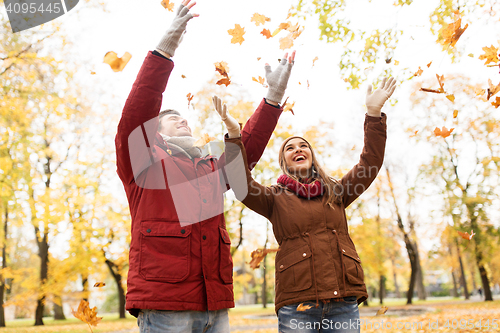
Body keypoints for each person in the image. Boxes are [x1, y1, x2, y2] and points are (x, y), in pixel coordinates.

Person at [114, 1, 295, 332]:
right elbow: (137, 111)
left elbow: (245, 152)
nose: (181, 119)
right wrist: (163, 50)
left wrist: (273, 96)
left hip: (215, 304)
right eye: (170, 118)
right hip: (165, 305)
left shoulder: (208, 168)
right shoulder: (144, 163)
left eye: (183, 117)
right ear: (154, 133)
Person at [218, 77, 396, 332]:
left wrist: (374, 114)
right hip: (296, 303)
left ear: (311, 157)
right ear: (285, 162)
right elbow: (240, 183)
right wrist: (235, 137)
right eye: (290, 148)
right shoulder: (273, 198)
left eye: (303, 146)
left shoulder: (337, 191)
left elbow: (369, 164)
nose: (297, 149)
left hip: (343, 301)